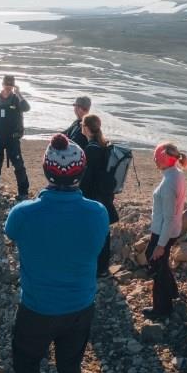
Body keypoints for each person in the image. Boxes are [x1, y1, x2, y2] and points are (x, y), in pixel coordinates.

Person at [3, 134, 109, 373]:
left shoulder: (23, 213)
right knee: (70, 367)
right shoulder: (97, 212)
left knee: (27, 365)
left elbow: (10, 233)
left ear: (47, 171)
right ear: (81, 173)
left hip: (37, 306)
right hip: (80, 306)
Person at [143, 142, 187, 320]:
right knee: (160, 263)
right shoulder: (176, 173)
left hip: (164, 231)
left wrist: (160, 245)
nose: (154, 161)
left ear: (163, 159)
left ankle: (162, 307)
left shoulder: (169, 182)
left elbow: (168, 217)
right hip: (171, 229)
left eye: (156, 158)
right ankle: (172, 291)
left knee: (157, 265)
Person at [78, 114, 119, 277]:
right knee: (103, 231)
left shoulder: (91, 149)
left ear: (87, 129)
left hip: (94, 196)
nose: (81, 127)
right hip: (105, 196)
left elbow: (87, 178)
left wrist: (78, 193)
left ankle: (96, 268)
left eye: (82, 125)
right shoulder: (105, 145)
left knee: (92, 232)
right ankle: (103, 267)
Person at [0, 74, 31, 199]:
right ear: (2, 84)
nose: (8, 87)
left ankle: (23, 192)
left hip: (13, 137)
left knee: (18, 165)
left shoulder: (16, 99)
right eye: (6, 84)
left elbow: (26, 108)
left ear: (13, 86)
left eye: (10, 85)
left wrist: (19, 94)